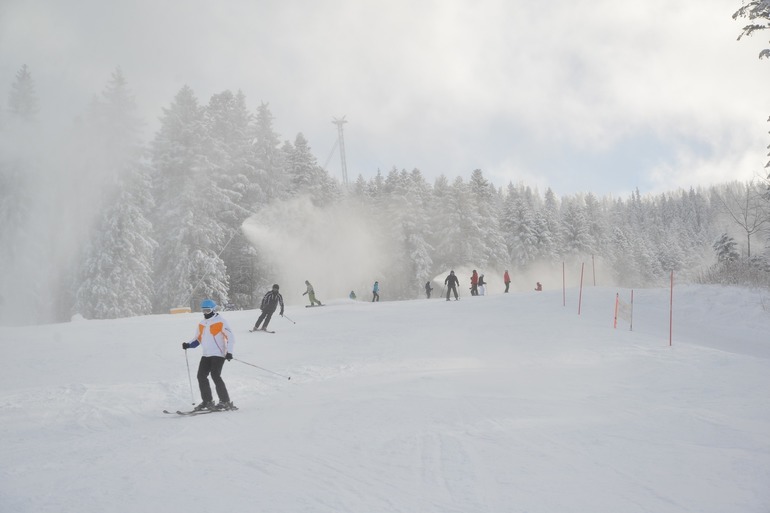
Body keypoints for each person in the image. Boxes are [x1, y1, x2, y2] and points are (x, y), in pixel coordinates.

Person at [182, 299, 236, 411]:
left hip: (218, 354)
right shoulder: (202, 323)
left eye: (207, 310)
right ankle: (207, 401)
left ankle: (225, 401)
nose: (205, 313)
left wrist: (229, 352)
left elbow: (231, 338)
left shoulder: (221, 321)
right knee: (201, 376)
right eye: (203, 310)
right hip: (206, 355)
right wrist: (188, 345)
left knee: (215, 375)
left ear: (213, 309)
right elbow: (198, 339)